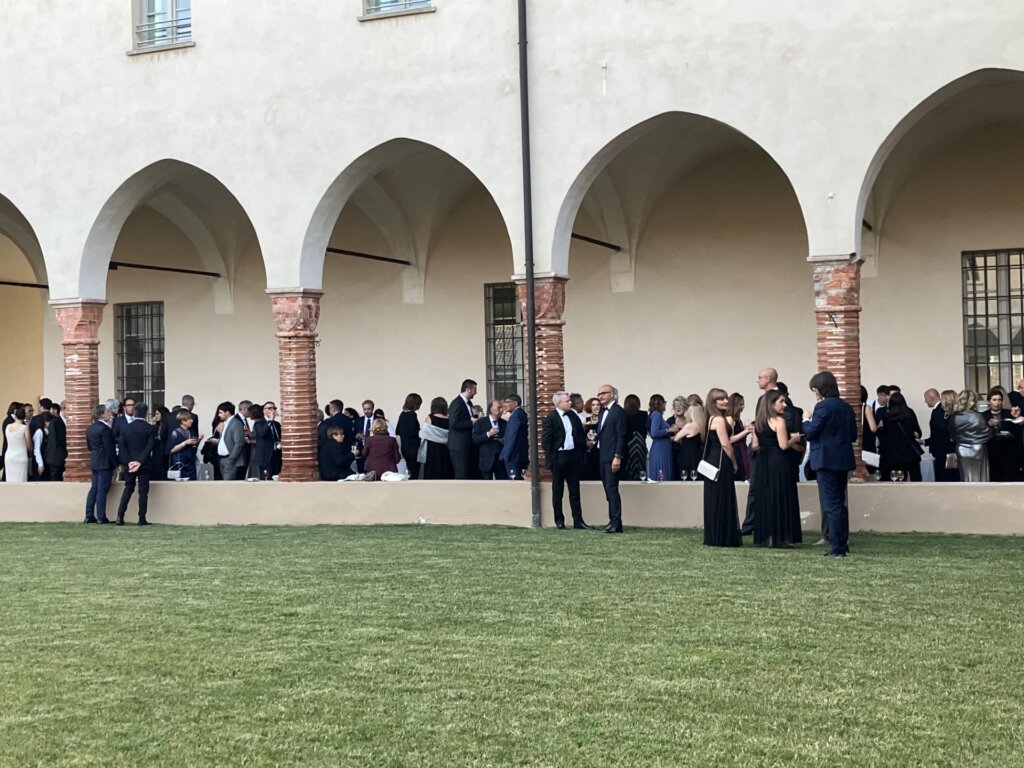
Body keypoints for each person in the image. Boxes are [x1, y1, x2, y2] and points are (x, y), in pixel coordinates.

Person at [802, 372, 857, 558]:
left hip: (826, 461)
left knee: (831, 504)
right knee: (840, 503)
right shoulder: (846, 407)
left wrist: (806, 420)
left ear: (819, 389)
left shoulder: (822, 406)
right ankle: (842, 543)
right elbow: (853, 435)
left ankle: (837, 547)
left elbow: (811, 432)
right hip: (843, 460)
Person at [751, 390, 801, 548]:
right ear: (771, 404)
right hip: (778, 461)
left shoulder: (759, 422)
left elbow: (755, 445)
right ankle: (781, 537)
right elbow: (783, 445)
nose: (784, 405)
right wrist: (795, 438)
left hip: (763, 462)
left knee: (765, 497)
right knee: (780, 495)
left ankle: (767, 536)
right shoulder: (779, 421)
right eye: (781, 401)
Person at [542, 391, 589, 528]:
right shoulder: (551, 418)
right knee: (558, 491)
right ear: (558, 403)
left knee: (575, 491)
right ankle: (559, 520)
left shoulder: (573, 416)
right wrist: (553, 458)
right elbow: (546, 442)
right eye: (567, 401)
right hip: (559, 457)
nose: (570, 403)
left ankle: (578, 521)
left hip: (573, 456)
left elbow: (579, 435)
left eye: (569, 400)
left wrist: (582, 449)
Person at [700, 389, 741, 546]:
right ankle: (723, 536)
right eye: (721, 399)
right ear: (713, 402)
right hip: (721, 460)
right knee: (723, 495)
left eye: (726, 398)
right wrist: (734, 462)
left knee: (714, 496)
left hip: (712, 458)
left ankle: (715, 534)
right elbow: (726, 444)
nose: (725, 401)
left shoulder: (711, 418)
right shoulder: (719, 420)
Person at [115, 402, 155, 526]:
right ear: (146, 413)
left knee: (128, 488)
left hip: (130, 464)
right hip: (144, 464)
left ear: (135, 412)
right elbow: (149, 448)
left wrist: (129, 462)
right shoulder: (149, 428)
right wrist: (140, 462)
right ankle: (141, 518)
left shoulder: (126, 428)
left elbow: (122, 448)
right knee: (143, 492)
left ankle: (120, 516)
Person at [595, 384, 627, 533]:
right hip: (603, 456)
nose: (600, 396)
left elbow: (621, 435)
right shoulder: (603, 412)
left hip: (612, 457)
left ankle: (616, 523)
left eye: (604, 393)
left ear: (612, 394)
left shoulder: (618, 412)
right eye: (599, 394)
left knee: (612, 489)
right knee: (608, 490)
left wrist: (617, 456)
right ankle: (613, 521)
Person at [873, 391, 923, 481]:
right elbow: (917, 431)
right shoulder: (910, 413)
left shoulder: (886, 416)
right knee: (915, 479)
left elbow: (881, 435)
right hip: (910, 454)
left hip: (893, 455)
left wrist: (879, 428)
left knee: (898, 481)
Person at [84, 404, 118, 523]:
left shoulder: (90, 429)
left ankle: (89, 515)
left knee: (94, 489)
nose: (110, 414)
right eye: (108, 412)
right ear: (102, 415)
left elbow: (89, 447)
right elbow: (110, 449)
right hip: (104, 462)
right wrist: (117, 464)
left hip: (95, 460)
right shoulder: (105, 429)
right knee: (102, 490)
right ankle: (101, 516)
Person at [984, 389, 1023, 482]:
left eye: (999, 400)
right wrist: (988, 426)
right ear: (989, 401)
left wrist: (1016, 418)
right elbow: (981, 433)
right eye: (994, 400)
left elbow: (1017, 432)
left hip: (1008, 451)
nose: (997, 403)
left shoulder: (1009, 414)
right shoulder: (984, 416)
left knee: (1009, 478)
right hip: (991, 451)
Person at [924, 389, 959, 482]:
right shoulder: (950, 414)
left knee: (945, 478)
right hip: (948, 450)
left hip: (945, 451)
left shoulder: (942, 413)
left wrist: (928, 442)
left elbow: (939, 433)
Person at [447, 379, 477, 479]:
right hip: (458, 446)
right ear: (468, 390)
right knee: (461, 474)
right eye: (475, 390)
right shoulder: (456, 403)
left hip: (467, 444)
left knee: (467, 473)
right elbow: (453, 424)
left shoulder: (469, 403)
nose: (476, 392)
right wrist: (472, 423)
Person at [419, 397, 454, 479]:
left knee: (432, 470)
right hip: (446, 448)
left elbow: (424, 433)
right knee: (445, 469)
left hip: (432, 449)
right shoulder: (449, 419)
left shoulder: (430, 418)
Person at [472, 399, 506, 480]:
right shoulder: (480, 423)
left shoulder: (504, 423)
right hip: (486, 459)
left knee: (502, 483)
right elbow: (475, 440)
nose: (501, 410)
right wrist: (488, 434)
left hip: (501, 460)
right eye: (498, 408)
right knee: (487, 484)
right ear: (491, 409)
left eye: (501, 408)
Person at [672, 402, 705, 480]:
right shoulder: (702, 426)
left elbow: (676, 438)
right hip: (698, 454)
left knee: (686, 477)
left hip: (687, 455)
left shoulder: (689, 426)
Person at [499, 394, 529, 480]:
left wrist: (506, 454)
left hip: (514, 455)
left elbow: (512, 436)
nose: (505, 404)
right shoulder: (522, 413)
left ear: (515, 403)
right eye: (505, 402)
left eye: (508, 402)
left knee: (514, 480)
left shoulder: (515, 416)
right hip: (520, 455)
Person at [216, 402, 246, 480]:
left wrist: (232, 458)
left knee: (227, 484)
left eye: (220, 412)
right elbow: (224, 440)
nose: (218, 415)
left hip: (230, 459)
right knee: (224, 483)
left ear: (227, 412)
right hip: (222, 459)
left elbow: (239, 442)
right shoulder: (224, 423)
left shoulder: (236, 423)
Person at [168, 409, 201, 481]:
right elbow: (172, 450)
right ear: (183, 421)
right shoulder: (175, 432)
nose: (192, 421)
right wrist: (185, 443)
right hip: (180, 462)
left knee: (192, 481)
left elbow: (194, 446)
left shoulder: (191, 431)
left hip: (191, 462)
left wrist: (199, 440)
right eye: (189, 419)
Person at [396, 393, 423, 480]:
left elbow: (397, 431)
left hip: (404, 447)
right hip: (413, 448)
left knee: (409, 470)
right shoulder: (412, 415)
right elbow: (414, 432)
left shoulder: (402, 414)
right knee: (414, 472)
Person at [647, 394, 673, 482]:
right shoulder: (657, 415)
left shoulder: (653, 415)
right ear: (660, 403)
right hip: (661, 450)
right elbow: (654, 433)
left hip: (661, 448)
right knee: (662, 475)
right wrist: (669, 430)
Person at [727, 393, 752, 481]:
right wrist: (746, 431)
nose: (743, 407)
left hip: (741, 449)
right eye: (741, 404)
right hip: (736, 451)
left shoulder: (737, 418)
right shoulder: (730, 418)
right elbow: (729, 440)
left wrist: (746, 429)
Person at [622, 394, 648, 481]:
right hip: (640, 443)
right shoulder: (643, 414)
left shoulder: (623, 414)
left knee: (628, 466)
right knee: (640, 465)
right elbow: (646, 429)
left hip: (628, 443)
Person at [253, 402, 282, 480]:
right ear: (264, 411)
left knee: (276, 478)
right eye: (269, 408)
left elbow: (279, 437)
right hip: (265, 457)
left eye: (274, 408)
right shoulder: (259, 423)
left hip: (276, 455)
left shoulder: (277, 424)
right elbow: (262, 434)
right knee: (266, 479)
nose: (272, 410)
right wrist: (270, 420)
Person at [3, 406, 31, 483]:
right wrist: (31, 452)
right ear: (24, 416)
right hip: (21, 456)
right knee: (21, 480)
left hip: (9, 456)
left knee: (10, 480)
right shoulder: (24, 428)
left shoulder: (8, 427)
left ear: (15, 416)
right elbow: (28, 444)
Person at [44, 402, 67, 481]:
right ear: (63, 409)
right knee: (55, 480)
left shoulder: (65, 421)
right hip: (56, 458)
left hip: (62, 458)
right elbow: (58, 440)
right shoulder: (56, 422)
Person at [582, 396, 602, 480]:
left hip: (600, 451)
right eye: (593, 405)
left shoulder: (603, 420)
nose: (596, 407)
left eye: (598, 404)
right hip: (589, 452)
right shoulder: (586, 420)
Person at [151, 406, 172, 481]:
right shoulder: (154, 427)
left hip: (164, 452)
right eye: (155, 414)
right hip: (156, 452)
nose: (155, 416)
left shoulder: (168, 426)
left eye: (157, 414)